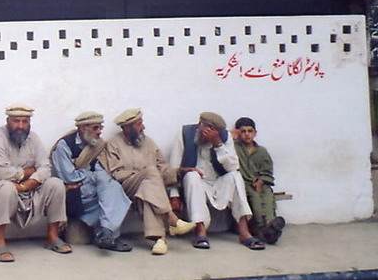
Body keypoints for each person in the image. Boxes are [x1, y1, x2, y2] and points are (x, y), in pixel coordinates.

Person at [0, 104, 71, 262]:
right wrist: (28, 172)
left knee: (55, 183)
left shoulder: (33, 138)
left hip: (27, 190)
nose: (20, 126)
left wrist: (26, 184)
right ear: (8, 121)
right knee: (5, 187)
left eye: (24, 121)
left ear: (29, 123)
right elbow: (2, 174)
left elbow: (45, 168)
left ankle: (52, 237)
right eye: (16, 121)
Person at [168, 111, 265, 250]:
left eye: (213, 131)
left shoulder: (224, 137)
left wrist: (218, 143)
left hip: (218, 182)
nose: (207, 133)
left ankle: (244, 232)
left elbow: (233, 166)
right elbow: (174, 166)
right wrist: (174, 194)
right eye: (206, 129)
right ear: (200, 125)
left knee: (235, 176)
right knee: (191, 175)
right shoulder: (185, 133)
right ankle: (200, 231)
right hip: (195, 185)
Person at [105, 108, 196, 255]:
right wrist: (142, 173)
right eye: (139, 124)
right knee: (151, 173)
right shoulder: (113, 144)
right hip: (125, 188)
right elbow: (115, 174)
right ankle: (172, 218)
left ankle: (159, 239)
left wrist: (180, 171)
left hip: (145, 189)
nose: (143, 127)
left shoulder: (148, 143)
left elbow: (164, 169)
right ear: (127, 128)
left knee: (147, 187)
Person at [51, 111, 133, 252]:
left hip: (91, 186)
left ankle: (106, 232)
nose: (100, 132)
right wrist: (92, 176)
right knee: (110, 196)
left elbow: (102, 171)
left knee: (112, 187)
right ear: (83, 128)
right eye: (96, 128)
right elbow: (69, 177)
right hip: (74, 193)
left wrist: (93, 176)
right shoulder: (64, 145)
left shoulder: (98, 145)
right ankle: (108, 234)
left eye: (100, 128)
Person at [233, 116, 286, 244]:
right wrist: (232, 136)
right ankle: (262, 226)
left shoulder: (262, 151)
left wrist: (262, 180)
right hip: (243, 183)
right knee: (255, 197)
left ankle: (270, 223)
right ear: (238, 133)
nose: (247, 134)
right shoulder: (235, 149)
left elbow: (267, 170)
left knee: (267, 194)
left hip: (260, 182)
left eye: (250, 131)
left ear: (255, 133)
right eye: (243, 131)